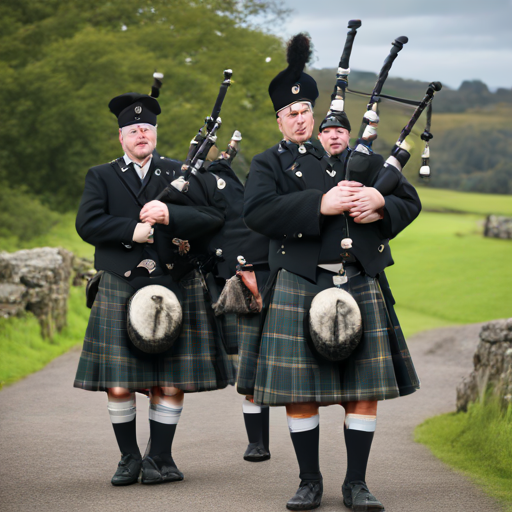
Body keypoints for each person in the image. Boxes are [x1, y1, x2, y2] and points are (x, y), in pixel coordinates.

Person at [241, 34, 421, 511]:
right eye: (291, 114)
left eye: (306, 112)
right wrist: (319, 203)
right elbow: (257, 212)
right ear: (279, 119)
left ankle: (356, 484)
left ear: (315, 115)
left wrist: (381, 202)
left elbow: (409, 199)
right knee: (302, 393)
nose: (301, 119)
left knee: (363, 391)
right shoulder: (268, 164)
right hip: (302, 280)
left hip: (359, 279)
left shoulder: (352, 157)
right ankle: (309, 481)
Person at [74, 92, 232, 486]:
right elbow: (87, 223)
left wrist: (169, 214)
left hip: (174, 283)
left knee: (171, 379)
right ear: (121, 137)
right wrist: (131, 230)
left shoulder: (181, 172)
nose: (141, 134)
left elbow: (214, 217)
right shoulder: (103, 176)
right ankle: (129, 458)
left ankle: (160, 456)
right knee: (120, 380)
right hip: (121, 283)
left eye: (147, 128)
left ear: (155, 133)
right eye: (133, 130)